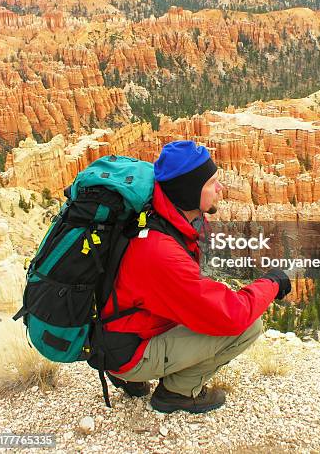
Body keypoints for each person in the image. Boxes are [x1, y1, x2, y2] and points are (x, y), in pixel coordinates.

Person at [102, 140, 291, 413]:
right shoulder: (160, 251)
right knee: (247, 325)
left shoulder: (160, 218)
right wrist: (272, 283)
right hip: (127, 348)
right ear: (190, 191)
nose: (220, 188)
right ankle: (177, 392)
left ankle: (127, 375)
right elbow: (233, 314)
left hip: (119, 329)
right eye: (212, 182)